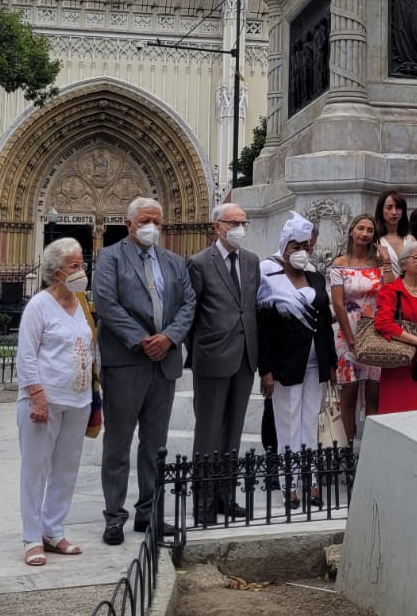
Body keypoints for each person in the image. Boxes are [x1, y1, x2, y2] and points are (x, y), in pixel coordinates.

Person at [92, 195, 197, 545]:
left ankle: (149, 513)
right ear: (129, 224)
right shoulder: (110, 257)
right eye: (145, 221)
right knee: (118, 444)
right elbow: (106, 303)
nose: (152, 228)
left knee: (155, 446)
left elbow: (188, 304)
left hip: (163, 363)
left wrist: (168, 338)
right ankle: (114, 515)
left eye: (157, 222)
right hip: (126, 362)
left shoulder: (174, 262)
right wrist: (141, 339)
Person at [15, 239, 94, 566]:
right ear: (57, 272)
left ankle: (54, 529)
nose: (82, 271)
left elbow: (90, 347)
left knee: (66, 468)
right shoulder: (38, 305)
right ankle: (32, 537)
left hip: (78, 400)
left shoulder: (82, 302)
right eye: (76, 266)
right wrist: (36, 395)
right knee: (36, 469)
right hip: (42, 400)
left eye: (82, 264)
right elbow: (26, 354)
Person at [187, 203, 261, 524]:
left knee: (233, 432)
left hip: (245, 355)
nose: (240, 228)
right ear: (218, 226)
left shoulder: (251, 261)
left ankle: (225, 496)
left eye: (244, 222)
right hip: (212, 356)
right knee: (208, 433)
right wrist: (199, 351)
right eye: (234, 222)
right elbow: (190, 314)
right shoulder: (200, 263)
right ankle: (203, 500)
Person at [257, 212, 337, 500]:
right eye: (295, 246)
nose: (301, 252)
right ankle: (290, 485)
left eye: (306, 246)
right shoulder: (271, 280)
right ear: (284, 248)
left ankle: (311, 481)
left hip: (316, 366)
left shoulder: (315, 278)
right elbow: (263, 330)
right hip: (284, 367)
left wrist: (332, 364)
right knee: (287, 424)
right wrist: (265, 370)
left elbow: (325, 324)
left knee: (309, 425)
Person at [373, 238, 417, 412]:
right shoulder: (391, 291)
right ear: (403, 264)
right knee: (396, 414)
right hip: (399, 363)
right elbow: (383, 323)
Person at [328, 213, 384, 441]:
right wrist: (351, 338)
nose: (365, 234)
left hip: (374, 333)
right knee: (348, 394)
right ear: (352, 231)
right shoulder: (339, 264)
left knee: (374, 393)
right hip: (347, 333)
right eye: (361, 228)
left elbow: (391, 293)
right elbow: (339, 305)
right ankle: (347, 450)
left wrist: (387, 259)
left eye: (370, 230)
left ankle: (372, 447)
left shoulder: (378, 264)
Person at [374, 188, 410, 276]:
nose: (394, 212)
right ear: (381, 210)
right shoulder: (374, 239)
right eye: (389, 207)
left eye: (398, 207)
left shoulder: (410, 239)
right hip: (384, 287)